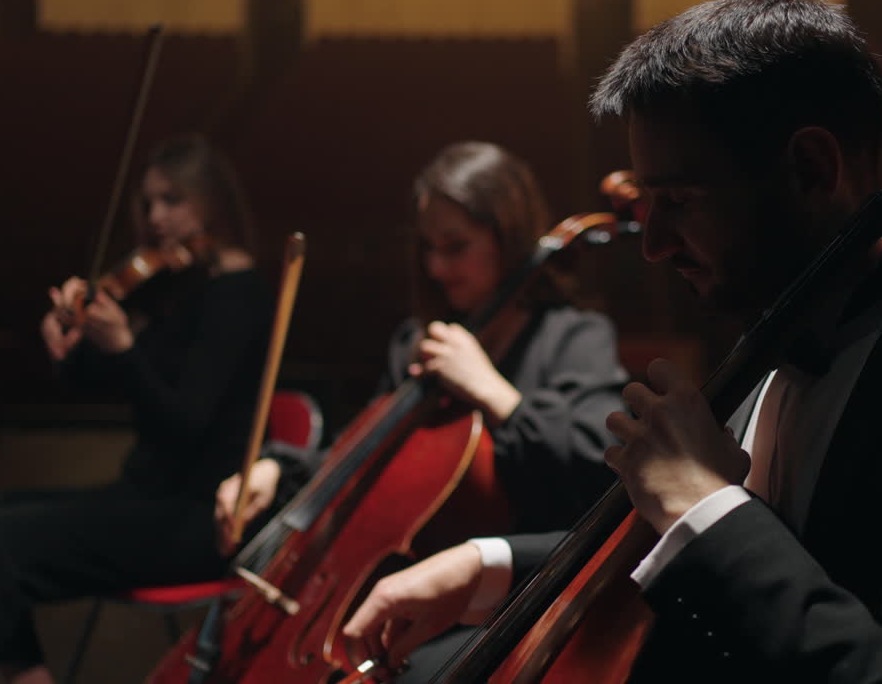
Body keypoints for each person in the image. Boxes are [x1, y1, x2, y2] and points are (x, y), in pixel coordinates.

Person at [338, 0, 882, 683]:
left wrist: (705, 508)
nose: (654, 243)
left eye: (678, 200)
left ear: (812, 167)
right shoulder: (775, 332)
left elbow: (737, 550)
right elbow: (695, 558)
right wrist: (486, 562)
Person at [212, 141, 627, 658]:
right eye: (426, 247)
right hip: (394, 593)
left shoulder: (572, 337)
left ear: (509, 237)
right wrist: (279, 470)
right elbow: (361, 464)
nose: (435, 266)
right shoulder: (419, 341)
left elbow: (602, 465)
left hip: (515, 603)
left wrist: (492, 390)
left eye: (455, 246)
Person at [0, 135, 273, 684]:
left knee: (0, 541)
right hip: (142, 496)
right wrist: (71, 349)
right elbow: (110, 383)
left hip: (196, 517)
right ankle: (29, 676)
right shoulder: (182, 286)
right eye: (149, 201)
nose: (156, 216)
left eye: (173, 200)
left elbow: (183, 427)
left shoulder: (238, 297)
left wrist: (125, 349)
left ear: (214, 203)